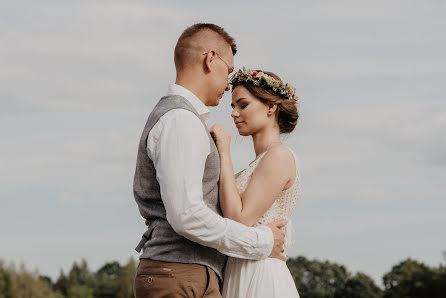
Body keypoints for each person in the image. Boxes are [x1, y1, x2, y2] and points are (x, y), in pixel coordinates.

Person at [132, 24, 287, 298]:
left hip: (190, 274)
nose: (228, 85)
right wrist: (261, 241)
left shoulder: (183, 120)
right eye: (228, 71)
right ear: (210, 59)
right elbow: (187, 215)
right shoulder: (181, 121)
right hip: (178, 273)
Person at [210, 68, 301, 298]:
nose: (234, 113)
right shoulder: (256, 164)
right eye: (232, 107)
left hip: (261, 277)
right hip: (238, 271)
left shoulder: (279, 156)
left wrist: (224, 152)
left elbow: (239, 220)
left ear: (271, 107)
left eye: (243, 105)